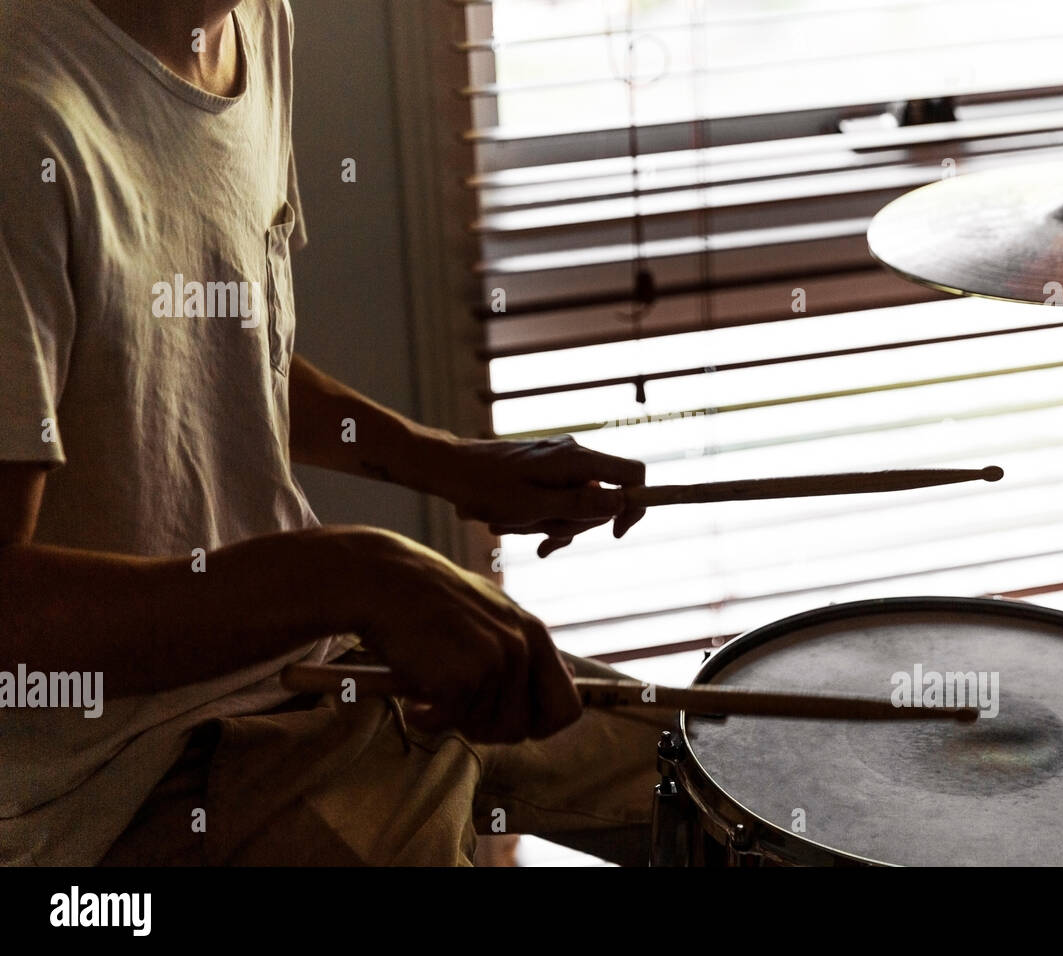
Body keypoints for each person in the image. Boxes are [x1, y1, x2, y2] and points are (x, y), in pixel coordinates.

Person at [0, 0, 663, 866]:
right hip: (114, 779)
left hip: (308, 664)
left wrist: (449, 464)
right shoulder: (22, 119)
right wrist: (349, 574)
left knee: (729, 773)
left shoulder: (256, 24)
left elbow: (209, 349)